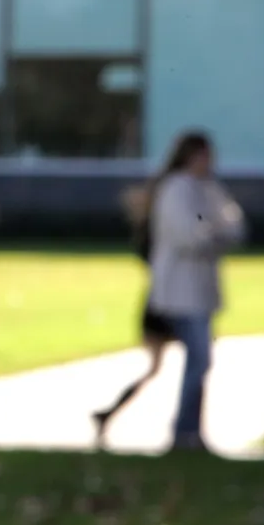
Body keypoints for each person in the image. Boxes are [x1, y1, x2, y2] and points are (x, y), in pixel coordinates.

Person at [148, 131, 247, 452]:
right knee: (199, 358)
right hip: (181, 290)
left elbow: (234, 225)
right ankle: (184, 431)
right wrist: (216, 235)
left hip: (201, 289)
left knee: (200, 360)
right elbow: (190, 236)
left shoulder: (208, 189)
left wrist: (216, 234)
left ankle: (190, 430)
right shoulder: (176, 189)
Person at [91, 183, 176, 446]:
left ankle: (108, 413)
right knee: (171, 365)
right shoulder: (156, 236)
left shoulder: (149, 234)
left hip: (162, 301)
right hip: (165, 304)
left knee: (157, 368)